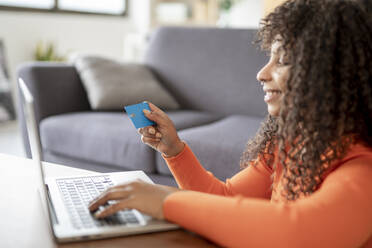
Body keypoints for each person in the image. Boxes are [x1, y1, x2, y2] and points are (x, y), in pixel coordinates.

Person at [89, 0, 372, 247]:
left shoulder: (364, 171)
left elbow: (295, 233)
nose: (262, 73)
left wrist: (165, 201)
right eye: (268, 58)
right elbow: (225, 198)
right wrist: (174, 150)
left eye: (283, 59)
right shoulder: (286, 145)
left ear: (333, 76)